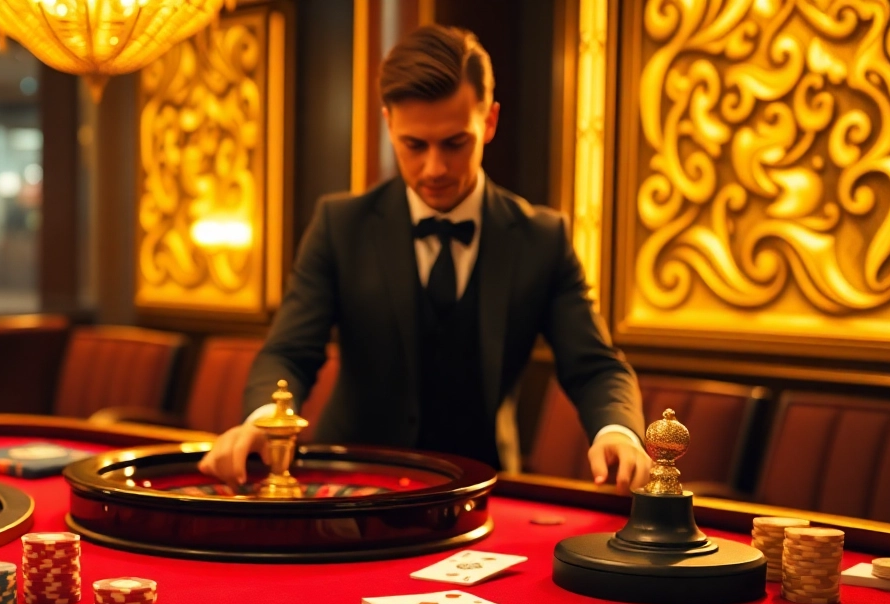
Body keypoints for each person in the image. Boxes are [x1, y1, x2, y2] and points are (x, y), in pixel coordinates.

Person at [199, 24, 651, 489]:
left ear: (489, 122)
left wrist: (617, 431)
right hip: (353, 482)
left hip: (482, 487)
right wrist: (263, 420)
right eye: (414, 145)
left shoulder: (542, 237)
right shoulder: (340, 225)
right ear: (389, 124)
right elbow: (289, 353)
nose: (434, 168)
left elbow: (595, 365)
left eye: (456, 143)